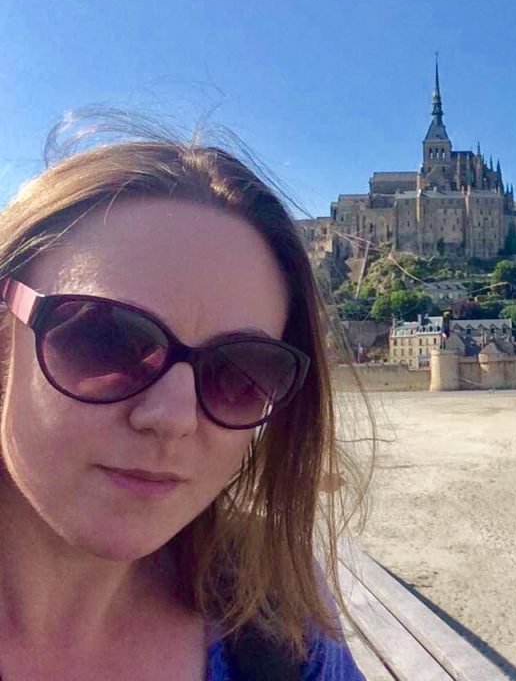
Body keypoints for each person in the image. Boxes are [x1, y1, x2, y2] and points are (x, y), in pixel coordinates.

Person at [0, 117, 369, 680]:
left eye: (240, 372)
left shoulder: (281, 628)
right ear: (6, 335)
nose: (172, 419)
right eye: (106, 341)